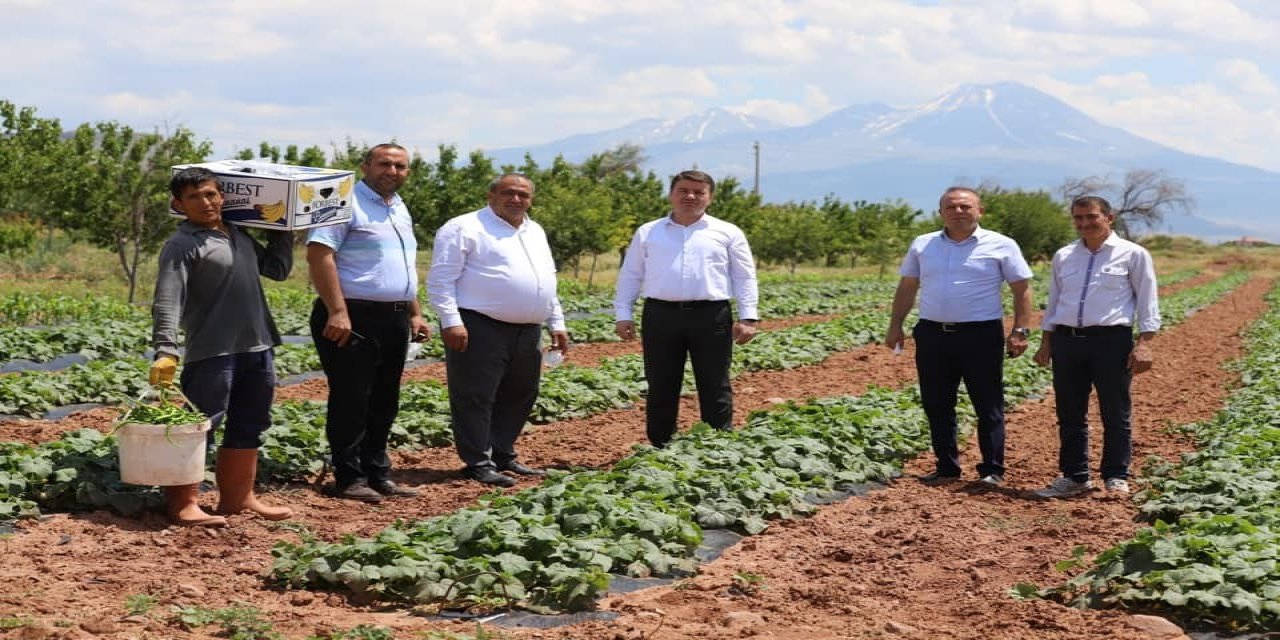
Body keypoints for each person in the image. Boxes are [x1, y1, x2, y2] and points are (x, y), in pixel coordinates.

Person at [150, 167, 294, 527]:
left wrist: (283, 231)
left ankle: (238, 498)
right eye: (194, 197)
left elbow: (276, 270)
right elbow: (168, 299)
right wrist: (166, 349)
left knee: (249, 422)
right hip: (213, 350)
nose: (206, 202)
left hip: (257, 345)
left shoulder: (237, 234)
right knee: (200, 425)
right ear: (178, 204)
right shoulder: (183, 244)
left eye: (211, 194)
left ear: (222, 197)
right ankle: (183, 503)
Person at [427, 173, 569, 487]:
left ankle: (503, 453)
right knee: (475, 395)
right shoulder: (464, 227)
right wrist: (451, 321)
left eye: (523, 195)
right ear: (491, 195)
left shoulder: (535, 230)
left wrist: (556, 321)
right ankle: (478, 462)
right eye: (509, 193)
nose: (516, 200)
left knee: (520, 393)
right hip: (479, 323)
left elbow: (547, 280)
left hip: (528, 328)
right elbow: (441, 280)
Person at [307, 143, 431, 502]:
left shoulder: (399, 208)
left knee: (384, 399)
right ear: (365, 166)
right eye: (384, 164)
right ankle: (349, 478)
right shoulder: (342, 202)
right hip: (352, 317)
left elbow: (401, 267)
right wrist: (337, 310)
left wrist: (415, 311)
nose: (392, 171)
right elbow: (319, 255)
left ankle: (378, 472)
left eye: (400, 166)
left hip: (392, 317)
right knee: (352, 398)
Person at [885, 187, 1033, 487]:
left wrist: (1020, 329)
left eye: (965, 206)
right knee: (937, 403)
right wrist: (895, 324)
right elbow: (908, 286)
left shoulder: (1001, 245)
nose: (958, 211)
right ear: (941, 213)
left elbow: (1022, 290)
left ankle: (992, 470)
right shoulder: (923, 244)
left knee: (987, 404)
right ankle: (947, 468)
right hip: (932, 333)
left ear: (980, 211)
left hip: (980, 334)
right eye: (951, 207)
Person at [614, 169, 760, 448]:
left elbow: (744, 276)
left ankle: (718, 444)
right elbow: (631, 274)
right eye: (683, 191)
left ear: (710, 197)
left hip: (711, 315)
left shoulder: (727, 232)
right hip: (660, 315)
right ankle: (661, 445)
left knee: (715, 382)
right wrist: (623, 314)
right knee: (661, 383)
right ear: (671, 194)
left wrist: (748, 316)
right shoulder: (649, 232)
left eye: (698, 192)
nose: (690, 196)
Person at [1033, 196, 1160, 498]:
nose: (1085, 223)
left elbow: (1147, 301)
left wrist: (1144, 343)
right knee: (1070, 413)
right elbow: (1054, 302)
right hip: (1067, 341)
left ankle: (1116, 476)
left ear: (1109, 218)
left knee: (1115, 412)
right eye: (1078, 218)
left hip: (1111, 342)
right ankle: (1075, 476)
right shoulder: (1064, 256)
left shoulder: (1133, 254)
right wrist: (1046, 342)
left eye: (1091, 217)